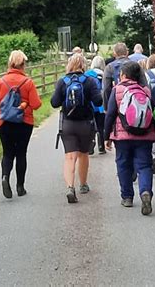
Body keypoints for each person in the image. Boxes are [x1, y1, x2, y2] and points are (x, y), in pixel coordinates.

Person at [104, 60, 155, 214]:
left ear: (123, 75)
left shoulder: (117, 89)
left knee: (123, 164)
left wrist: (106, 136)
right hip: (144, 135)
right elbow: (154, 112)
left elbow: (110, 115)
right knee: (144, 166)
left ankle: (127, 197)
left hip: (122, 137)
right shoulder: (146, 90)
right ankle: (145, 191)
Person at [0, 50, 42, 198]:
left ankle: (5, 176)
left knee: (7, 153)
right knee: (21, 153)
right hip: (24, 122)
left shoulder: (0, 82)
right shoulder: (28, 82)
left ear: (10, 63)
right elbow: (36, 104)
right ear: (23, 64)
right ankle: (20, 187)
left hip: (4, 123)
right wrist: (26, 105)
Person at [50, 54, 102, 203]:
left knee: (69, 156)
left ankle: (70, 187)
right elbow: (98, 101)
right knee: (83, 154)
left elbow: (54, 103)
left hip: (68, 124)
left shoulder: (63, 81)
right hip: (86, 124)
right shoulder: (89, 81)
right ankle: (83, 184)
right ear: (84, 65)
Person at [103, 42, 147, 110]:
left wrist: (107, 107)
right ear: (127, 53)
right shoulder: (136, 65)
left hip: (117, 105)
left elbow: (106, 88)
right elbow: (144, 85)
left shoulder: (109, 68)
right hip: (135, 104)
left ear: (114, 54)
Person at [85, 55, 106, 155]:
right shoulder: (104, 74)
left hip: (89, 104)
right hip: (100, 104)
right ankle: (101, 146)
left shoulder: (87, 74)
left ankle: (90, 146)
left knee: (90, 125)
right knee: (101, 126)